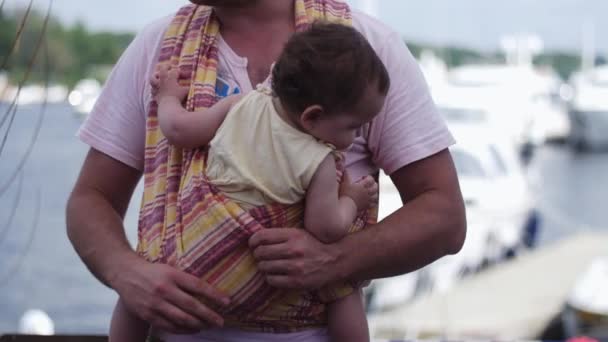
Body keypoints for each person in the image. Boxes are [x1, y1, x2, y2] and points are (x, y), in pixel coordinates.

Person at [66, 0, 466, 341]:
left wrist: (337, 260)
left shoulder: (366, 56)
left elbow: (444, 216)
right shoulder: (158, 50)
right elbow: (90, 199)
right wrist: (127, 272)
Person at [111, 22, 386, 342]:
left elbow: (178, 131)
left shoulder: (241, 104)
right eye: (354, 127)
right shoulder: (319, 162)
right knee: (343, 289)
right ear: (311, 117)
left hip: (187, 265)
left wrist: (169, 97)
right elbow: (326, 229)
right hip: (250, 277)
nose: (353, 139)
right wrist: (352, 199)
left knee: (136, 288)